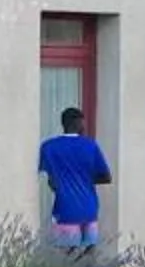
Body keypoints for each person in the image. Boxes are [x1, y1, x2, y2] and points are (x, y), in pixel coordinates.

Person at [38, 105, 111, 254]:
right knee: (88, 256)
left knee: (67, 259)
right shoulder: (90, 146)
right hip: (89, 209)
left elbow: (50, 180)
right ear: (77, 123)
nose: (84, 127)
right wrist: (85, 179)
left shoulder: (49, 147)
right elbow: (106, 177)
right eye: (83, 123)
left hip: (65, 210)